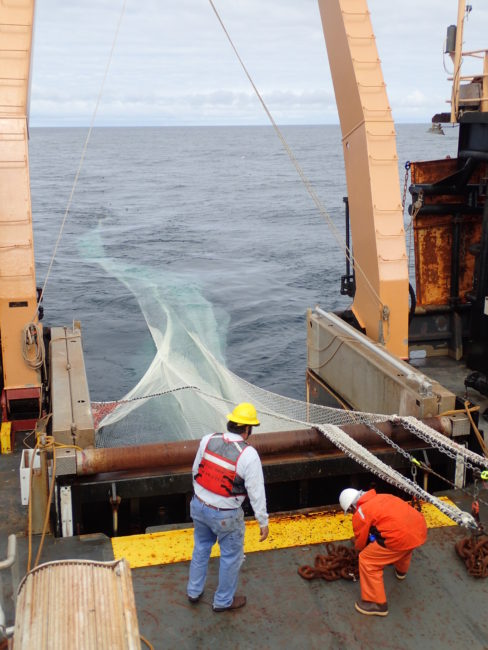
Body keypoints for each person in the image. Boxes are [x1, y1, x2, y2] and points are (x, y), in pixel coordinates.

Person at [187, 402, 269, 612]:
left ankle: (194, 591)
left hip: (199, 506)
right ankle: (223, 601)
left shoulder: (208, 440)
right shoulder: (248, 455)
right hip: (226, 515)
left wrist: (202, 498)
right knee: (230, 557)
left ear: (231, 422)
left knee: (201, 548)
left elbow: (196, 470)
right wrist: (263, 521)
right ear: (247, 429)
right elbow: (256, 492)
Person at [339, 487, 427, 617]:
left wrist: (360, 547)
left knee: (367, 560)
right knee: (404, 545)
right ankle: (401, 571)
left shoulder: (361, 512)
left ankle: (376, 603)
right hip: (418, 530)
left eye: (350, 511)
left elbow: (361, 542)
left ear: (352, 507)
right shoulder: (382, 496)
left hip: (399, 538)